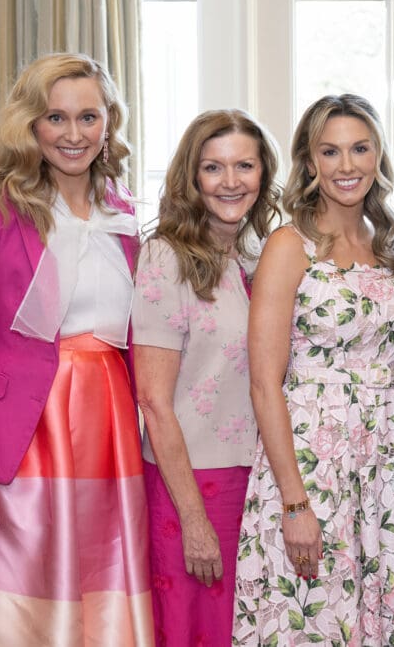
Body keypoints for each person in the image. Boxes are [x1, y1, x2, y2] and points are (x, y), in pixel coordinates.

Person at [0, 53, 153, 645]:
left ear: (109, 122)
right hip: (25, 439)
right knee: (21, 610)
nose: (74, 133)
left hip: (110, 435)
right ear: (30, 123)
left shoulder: (126, 210)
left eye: (89, 116)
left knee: (101, 601)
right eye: (56, 117)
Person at [232, 94, 394, 645]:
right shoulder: (289, 246)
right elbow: (264, 383)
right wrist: (295, 503)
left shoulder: (391, 247)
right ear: (310, 161)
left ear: (379, 156)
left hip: (384, 470)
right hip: (311, 467)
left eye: (360, 148)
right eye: (331, 151)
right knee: (313, 619)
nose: (347, 166)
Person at [131, 109, 280, 646]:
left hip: (257, 479)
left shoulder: (262, 255)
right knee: (196, 631)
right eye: (213, 167)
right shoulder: (164, 258)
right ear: (192, 177)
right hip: (192, 482)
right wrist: (194, 518)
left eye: (244, 165)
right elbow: (152, 401)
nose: (230, 181)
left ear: (264, 174)